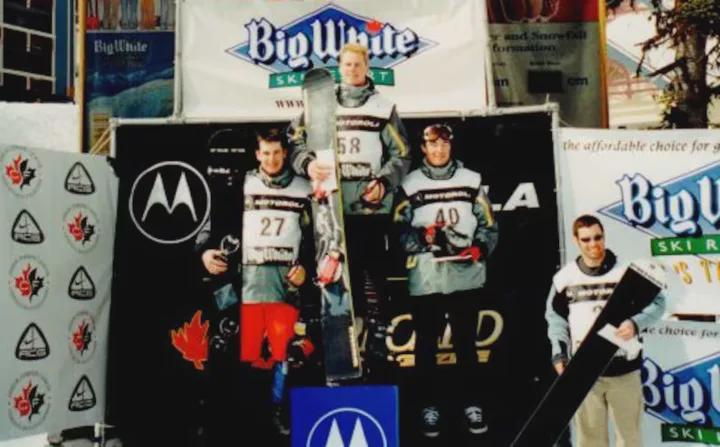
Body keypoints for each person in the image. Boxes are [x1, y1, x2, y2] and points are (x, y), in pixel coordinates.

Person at [287, 42, 411, 348]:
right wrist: (308, 163)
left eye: (358, 64)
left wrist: (384, 182)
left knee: (373, 274)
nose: (353, 69)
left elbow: (402, 153)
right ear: (339, 68)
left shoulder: (382, 107)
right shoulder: (321, 103)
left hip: (369, 207)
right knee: (339, 276)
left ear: (367, 67)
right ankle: (345, 336)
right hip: (332, 207)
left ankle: (377, 337)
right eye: (347, 64)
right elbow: (294, 140)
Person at [200, 128, 314, 435]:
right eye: (265, 153)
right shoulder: (243, 184)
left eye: (277, 153)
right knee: (248, 358)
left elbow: (318, 239)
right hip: (249, 285)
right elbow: (216, 226)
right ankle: (246, 423)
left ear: (286, 153)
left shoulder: (304, 188)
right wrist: (206, 252)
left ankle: (276, 414)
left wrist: (306, 269)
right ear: (257, 154)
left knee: (281, 356)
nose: (271, 159)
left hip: (285, 286)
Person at [393, 123, 499, 439]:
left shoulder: (471, 180)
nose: (438, 150)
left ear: (451, 146)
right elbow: (397, 230)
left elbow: (489, 225)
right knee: (426, 345)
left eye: (444, 144)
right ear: (423, 148)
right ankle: (429, 408)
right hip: (427, 279)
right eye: (432, 144)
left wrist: (479, 248)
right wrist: (422, 238)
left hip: (466, 277)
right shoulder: (410, 184)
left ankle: (472, 404)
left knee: (466, 344)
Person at [545, 214, 666, 447]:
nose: (594, 244)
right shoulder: (565, 278)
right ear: (576, 240)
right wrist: (559, 354)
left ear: (604, 236)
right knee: (590, 441)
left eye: (598, 237)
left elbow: (658, 303)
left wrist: (636, 323)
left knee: (629, 440)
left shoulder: (627, 272)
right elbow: (555, 319)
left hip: (624, 370)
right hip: (585, 374)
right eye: (586, 239)